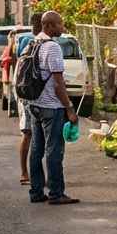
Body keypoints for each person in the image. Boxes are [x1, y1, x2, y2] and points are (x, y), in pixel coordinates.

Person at [25, 11, 81, 205]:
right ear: (48, 26)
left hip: (34, 104)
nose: (62, 28)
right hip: (51, 107)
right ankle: (56, 193)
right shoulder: (53, 47)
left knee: (36, 150)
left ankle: (36, 191)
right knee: (54, 150)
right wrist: (70, 108)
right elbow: (58, 84)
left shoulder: (33, 43)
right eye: (59, 24)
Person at [7, 12, 43, 185]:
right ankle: (25, 172)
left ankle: (32, 174)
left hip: (30, 96)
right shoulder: (29, 44)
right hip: (29, 96)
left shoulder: (40, 43)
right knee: (29, 134)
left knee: (33, 135)